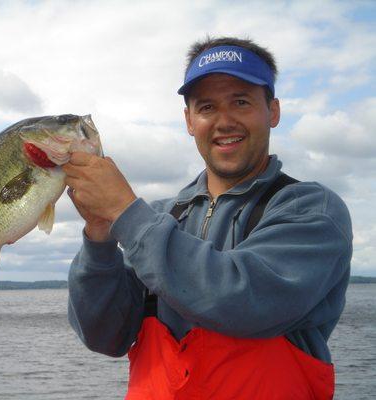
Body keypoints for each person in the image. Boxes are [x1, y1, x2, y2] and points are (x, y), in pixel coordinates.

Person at [62, 36, 352, 400]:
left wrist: (124, 212)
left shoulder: (310, 209)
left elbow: (243, 301)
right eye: (207, 107)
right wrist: (100, 234)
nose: (224, 121)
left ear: (273, 111)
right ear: (189, 120)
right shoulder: (156, 217)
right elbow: (104, 335)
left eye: (241, 102)